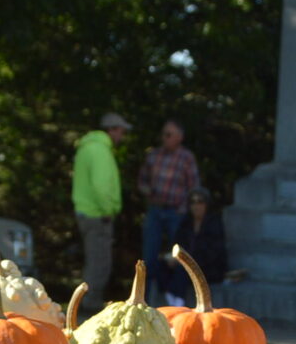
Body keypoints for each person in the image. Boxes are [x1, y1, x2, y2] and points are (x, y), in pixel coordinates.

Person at [74, 112, 130, 305]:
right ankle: (90, 305)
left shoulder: (87, 147)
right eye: (121, 131)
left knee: (93, 260)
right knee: (100, 263)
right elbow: (102, 185)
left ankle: (85, 304)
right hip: (97, 215)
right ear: (112, 130)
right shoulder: (100, 150)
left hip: (86, 212)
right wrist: (109, 210)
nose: (122, 136)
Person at [137, 120, 199, 278]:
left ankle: (176, 296)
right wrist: (146, 190)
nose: (164, 138)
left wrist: (185, 209)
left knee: (179, 257)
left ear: (179, 137)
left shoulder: (186, 158)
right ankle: (145, 296)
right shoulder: (154, 155)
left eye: (169, 134)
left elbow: (193, 188)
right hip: (155, 210)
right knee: (148, 257)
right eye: (163, 134)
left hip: (176, 213)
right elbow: (141, 180)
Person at [162, 187, 227, 304]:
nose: (196, 205)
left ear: (206, 204)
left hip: (208, 266)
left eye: (200, 202)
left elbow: (214, 252)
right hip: (184, 263)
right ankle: (170, 296)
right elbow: (178, 243)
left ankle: (178, 302)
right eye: (193, 202)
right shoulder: (185, 223)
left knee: (183, 270)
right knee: (159, 266)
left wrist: (189, 260)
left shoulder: (214, 223)